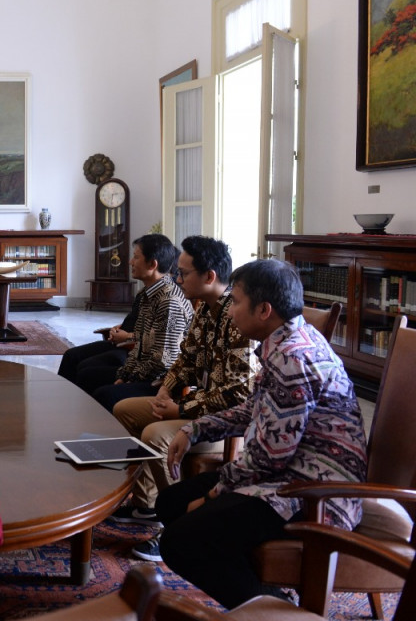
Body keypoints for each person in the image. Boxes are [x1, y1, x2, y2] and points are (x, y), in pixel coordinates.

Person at [156, 259, 368, 610]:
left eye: (236, 302)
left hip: (315, 495)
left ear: (264, 310)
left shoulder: (293, 360)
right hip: (286, 475)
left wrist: (212, 497)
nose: (230, 311)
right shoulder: (288, 340)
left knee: (180, 541)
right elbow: (255, 411)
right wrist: (195, 428)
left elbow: (269, 457)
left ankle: (272, 611)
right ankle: (257, 590)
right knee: (171, 503)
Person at [110, 235, 257, 560]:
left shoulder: (237, 319)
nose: (176, 279)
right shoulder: (205, 308)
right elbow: (185, 359)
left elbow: (237, 396)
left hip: (224, 424)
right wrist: (166, 389)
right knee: (124, 409)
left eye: (184, 273)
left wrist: (180, 406)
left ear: (209, 277)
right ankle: (145, 504)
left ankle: (176, 524)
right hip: (196, 407)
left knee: (155, 435)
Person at [83, 234, 194, 409]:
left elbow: (163, 361)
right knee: (87, 374)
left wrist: (130, 379)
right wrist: (124, 375)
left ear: (152, 264)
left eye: (136, 257)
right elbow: (140, 346)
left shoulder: (169, 302)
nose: (130, 262)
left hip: (161, 382)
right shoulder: (147, 294)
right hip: (144, 372)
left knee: (103, 394)